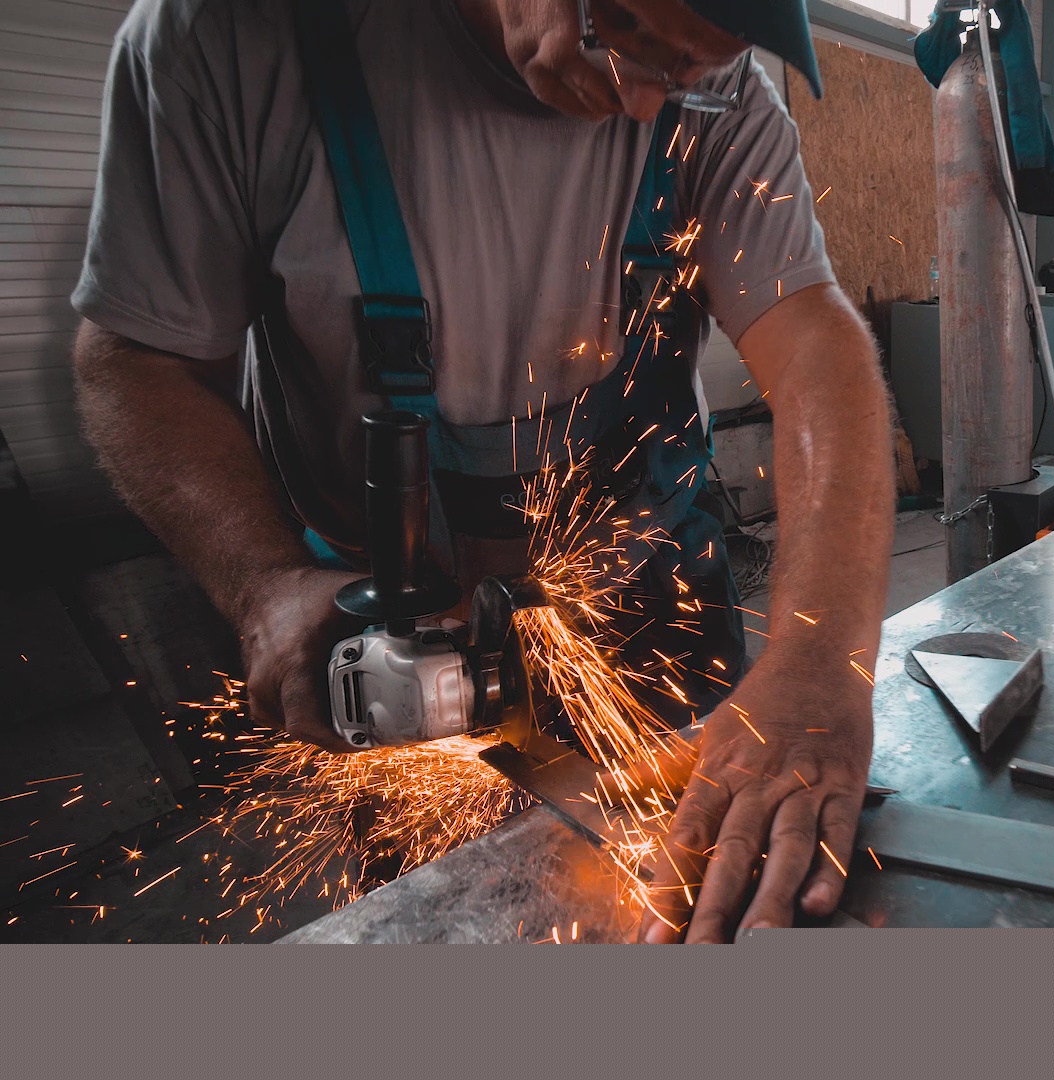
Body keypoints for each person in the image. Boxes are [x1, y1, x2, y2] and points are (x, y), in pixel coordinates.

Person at [68, 0, 896, 943]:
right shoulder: (230, 38)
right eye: (624, 32)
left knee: (720, 888)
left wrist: (820, 664)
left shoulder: (724, 99)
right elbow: (136, 362)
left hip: (644, 595)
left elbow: (817, 345)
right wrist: (263, 588)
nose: (644, 103)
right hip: (396, 635)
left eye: (691, 72)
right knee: (455, 927)